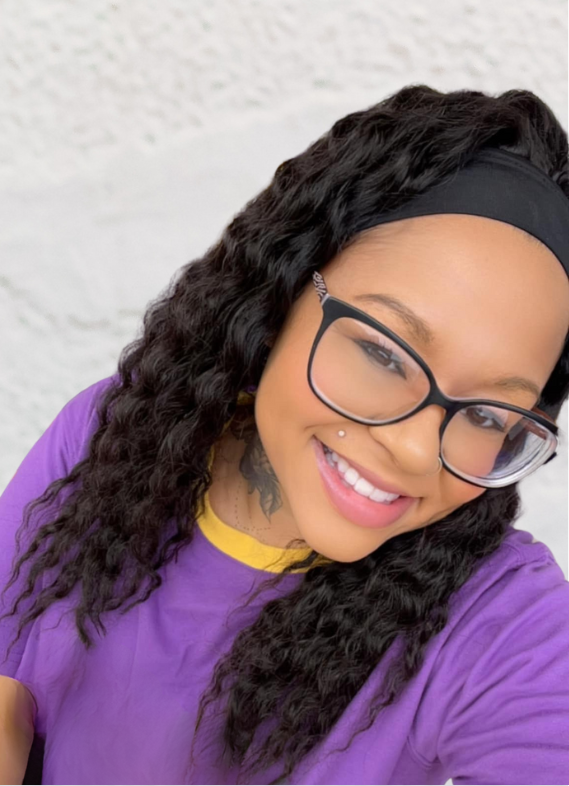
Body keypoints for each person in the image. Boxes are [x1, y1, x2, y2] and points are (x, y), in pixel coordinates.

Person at [1, 84, 569, 786]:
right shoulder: (117, 431)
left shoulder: (502, 621)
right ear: (284, 289)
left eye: (487, 416)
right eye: (383, 354)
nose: (417, 450)